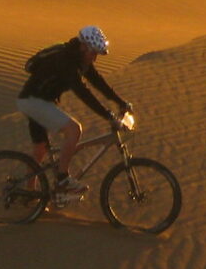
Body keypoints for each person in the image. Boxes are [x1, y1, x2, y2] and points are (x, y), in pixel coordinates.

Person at [15, 25, 132, 197]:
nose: (94, 58)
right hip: (33, 102)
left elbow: (98, 82)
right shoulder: (66, 61)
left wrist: (121, 102)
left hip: (39, 101)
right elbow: (83, 93)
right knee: (74, 129)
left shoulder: (80, 59)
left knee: (40, 149)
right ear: (83, 46)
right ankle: (63, 179)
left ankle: (28, 194)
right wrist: (108, 115)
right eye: (93, 53)